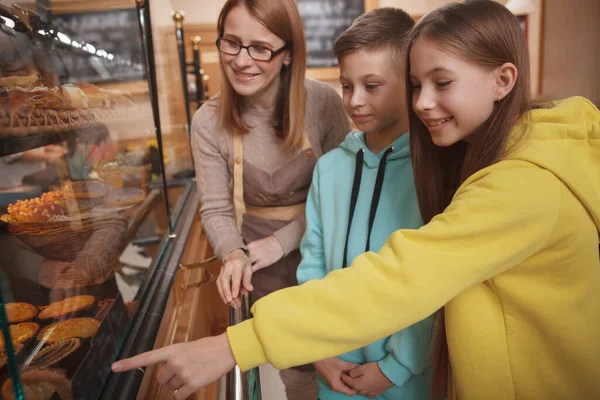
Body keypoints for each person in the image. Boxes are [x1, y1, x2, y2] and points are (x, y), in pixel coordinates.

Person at [112, 2, 600, 400]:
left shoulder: (516, 183)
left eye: (441, 82)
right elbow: (327, 255)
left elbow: (403, 278)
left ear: (504, 79)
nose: (423, 103)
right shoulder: (484, 154)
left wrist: (237, 345)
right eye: (415, 86)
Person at [188, 0, 350, 398]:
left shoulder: (324, 103)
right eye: (232, 43)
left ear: (289, 53)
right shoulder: (207, 122)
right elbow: (215, 207)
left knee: (342, 366)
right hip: (263, 271)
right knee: (296, 374)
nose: (242, 61)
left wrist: (282, 242)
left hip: (326, 253)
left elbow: (344, 194)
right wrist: (234, 253)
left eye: (260, 48)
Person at [297, 8, 432, 400]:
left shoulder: (431, 172)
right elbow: (313, 264)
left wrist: (396, 367)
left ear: (409, 85)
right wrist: (318, 349)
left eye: (372, 86)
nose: (354, 101)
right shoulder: (328, 169)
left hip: (407, 378)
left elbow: (433, 283)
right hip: (334, 369)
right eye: (346, 85)